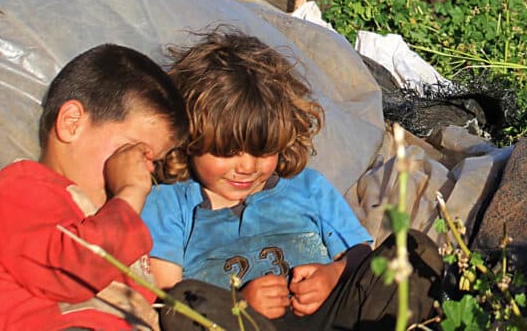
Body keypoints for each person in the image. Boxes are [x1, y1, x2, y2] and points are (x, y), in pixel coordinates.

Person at [143, 29, 443, 331]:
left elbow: (359, 255)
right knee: (184, 303)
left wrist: (333, 275)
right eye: (228, 152)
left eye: (262, 151)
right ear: (189, 137)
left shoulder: (308, 188)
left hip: (330, 320)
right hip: (245, 325)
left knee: (415, 250)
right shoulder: (172, 203)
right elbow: (166, 294)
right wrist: (239, 306)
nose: (246, 167)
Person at [0, 44, 187, 331]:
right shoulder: (21, 187)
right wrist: (129, 192)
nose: (143, 171)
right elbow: (69, 272)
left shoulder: (110, 214)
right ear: (71, 123)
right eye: (132, 151)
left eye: (152, 162)